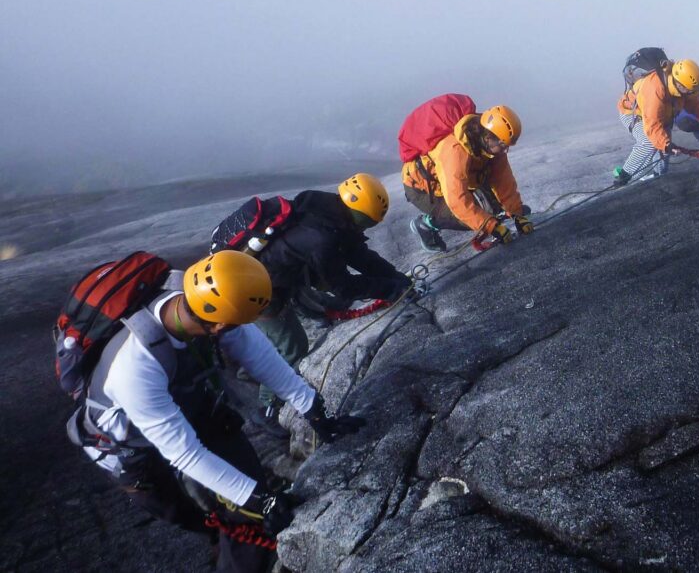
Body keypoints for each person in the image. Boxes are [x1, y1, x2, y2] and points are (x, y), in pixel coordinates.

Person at [71, 250, 365, 571]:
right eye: (233, 326)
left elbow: (262, 357)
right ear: (220, 324)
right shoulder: (134, 365)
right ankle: (214, 534)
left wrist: (314, 411)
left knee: (247, 512)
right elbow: (185, 455)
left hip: (194, 409)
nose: (238, 330)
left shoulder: (208, 299)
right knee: (187, 515)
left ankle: (236, 548)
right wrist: (258, 500)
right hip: (130, 449)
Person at [248, 174, 410, 434]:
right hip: (260, 289)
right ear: (357, 213)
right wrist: (390, 289)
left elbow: (361, 257)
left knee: (319, 309)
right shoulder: (322, 238)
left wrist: (398, 279)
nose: (367, 228)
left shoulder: (332, 213)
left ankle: (299, 311)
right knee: (293, 347)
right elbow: (343, 286)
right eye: (367, 222)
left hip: (287, 273)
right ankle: (267, 408)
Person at [404, 105, 532, 253]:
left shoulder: (492, 147)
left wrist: (517, 214)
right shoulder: (455, 150)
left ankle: (494, 216)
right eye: (503, 145)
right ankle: (426, 224)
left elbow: (504, 182)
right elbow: (457, 200)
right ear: (488, 136)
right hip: (423, 187)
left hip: (464, 177)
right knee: (470, 219)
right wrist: (490, 226)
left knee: (494, 211)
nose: (505, 150)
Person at [613, 58, 699, 186]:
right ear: (679, 84)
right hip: (634, 113)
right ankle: (623, 176)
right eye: (690, 90)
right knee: (649, 142)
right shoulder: (655, 88)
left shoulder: (686, 86)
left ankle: (659, 178)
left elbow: (694, 103)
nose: (691, 93)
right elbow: (652, 125)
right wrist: (666, 145)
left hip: (662, 114)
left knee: (663, 145)